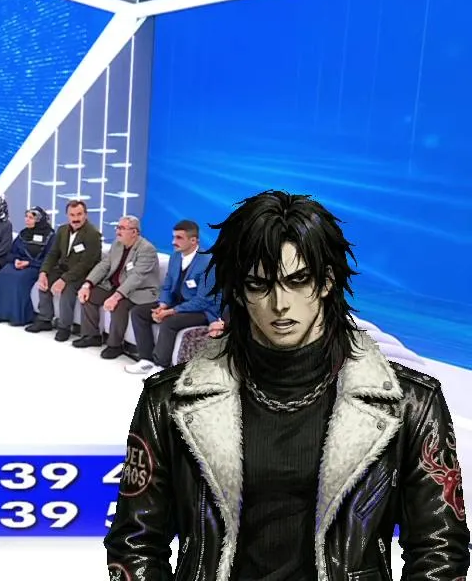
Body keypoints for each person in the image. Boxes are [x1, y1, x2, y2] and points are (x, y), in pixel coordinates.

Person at [105, 190, 469, 580]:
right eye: (259, 285)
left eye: (298, 280)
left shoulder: (410, 404)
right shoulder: (168, 402)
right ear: (239, 291)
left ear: (327, 281)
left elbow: (439, 549)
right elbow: (135, 543)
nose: (280, 303)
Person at [126, 219, 220, 375]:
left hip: (203, 310)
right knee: (139, 312)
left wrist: (170, 312)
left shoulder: (208, 262)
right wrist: (162, 305)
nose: (173, 242)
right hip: (177, 304)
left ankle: (161, 366)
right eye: (174, 237)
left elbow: (202, 300)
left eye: (179, 238)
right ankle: (146, 360)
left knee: (169, 321)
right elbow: (167, 286)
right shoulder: (175, 257)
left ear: (193, 240)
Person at [74, 215, 159, 360]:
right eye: (117, 227)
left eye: (122, 228)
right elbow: (104, 265)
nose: (117, 231)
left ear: (134, 232)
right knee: (89, 296)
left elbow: (136, 278)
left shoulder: (147, 249)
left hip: (138, 291)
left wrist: (115, 297)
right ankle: (92, 336)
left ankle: (115, 345)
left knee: (119, 305)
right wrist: (87, 284)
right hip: (115, 286)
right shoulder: (117, 244)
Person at [25, 199, 102, 341]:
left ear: (85, 215)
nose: (76, 218)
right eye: (72, 215)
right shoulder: (62, 230)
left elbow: (86, 263)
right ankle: (45, 319)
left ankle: (64, 327)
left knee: (67, 290)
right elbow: (53, 254)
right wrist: (43, 272)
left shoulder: (93, 234)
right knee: (44, 283)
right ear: (67, 215)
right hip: (63, 269)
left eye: (79, 214)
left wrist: (64, 280)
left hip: (82, 274)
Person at [0, 206, 54, 326]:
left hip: (36, 266)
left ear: (39, 220)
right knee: (2, 274)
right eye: (26, 217)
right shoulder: (23, 234)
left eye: (31, 218)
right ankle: (2, 314)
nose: (27, 220)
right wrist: (16, 260)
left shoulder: (50, 236)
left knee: (19, 279)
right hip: (19, 263)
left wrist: (29, 263)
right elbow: (11, 252)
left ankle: (19, 317)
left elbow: (49, 258)